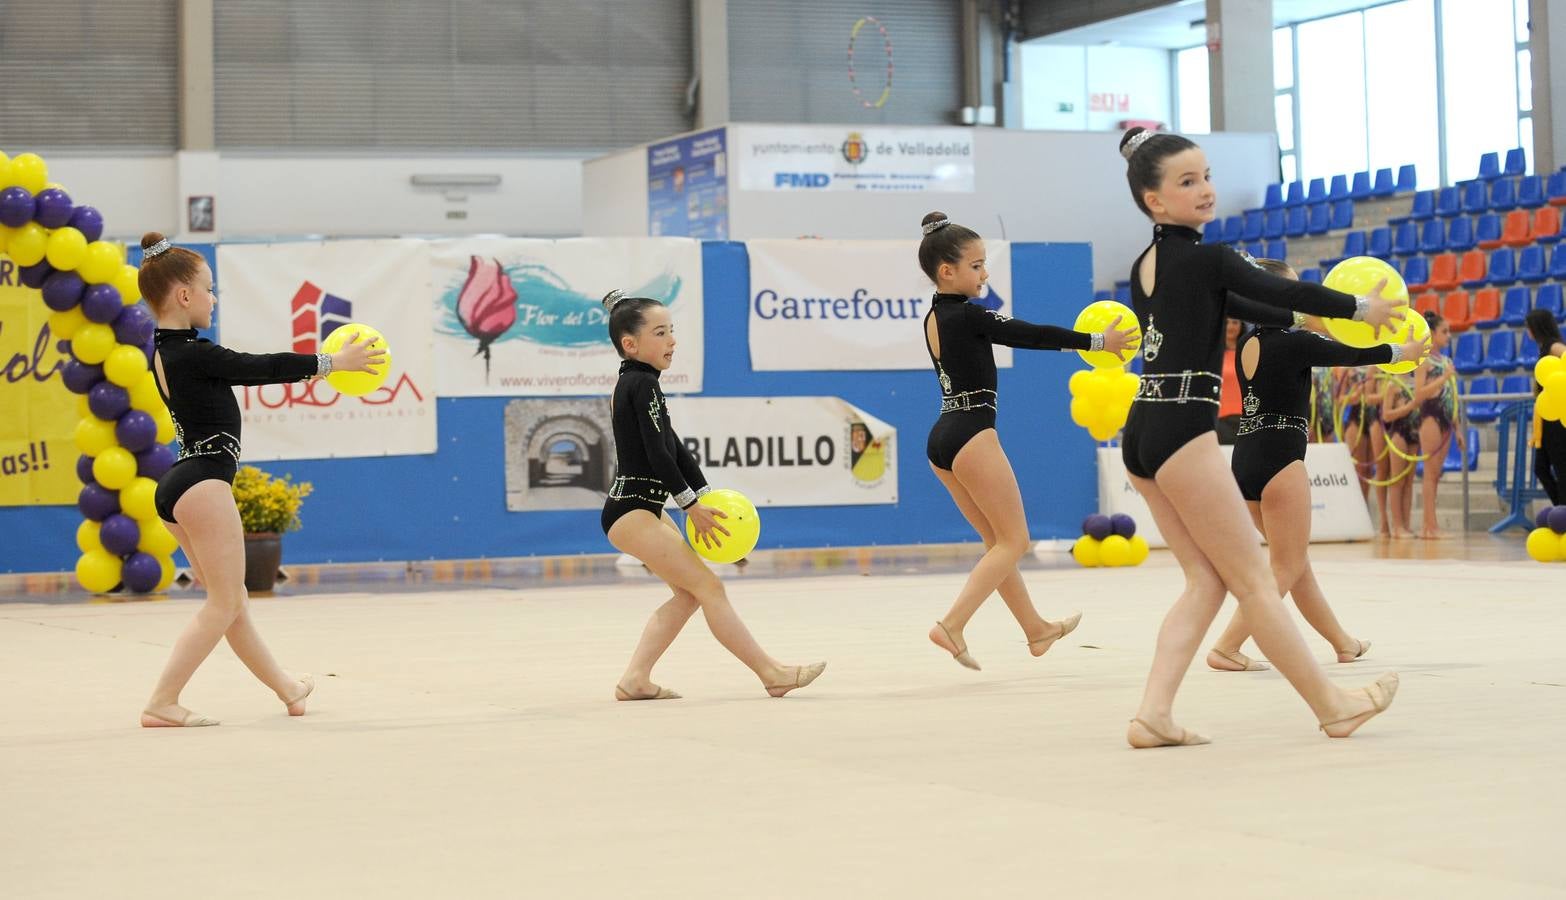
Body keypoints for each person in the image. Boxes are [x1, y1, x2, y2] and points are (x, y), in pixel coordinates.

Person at [1114, 127, 1402, 748]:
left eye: (1207, 175)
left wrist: (1305, 315)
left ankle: (1154, 715)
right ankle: (1332, 705)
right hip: (1183, 427)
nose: (1206, 190)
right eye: (1187, 182)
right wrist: (1357, 309)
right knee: (1251, 578)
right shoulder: (1209, 258)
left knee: (1205, 581)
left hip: (1141, 427)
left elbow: (1264, 306)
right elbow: (1283, 290)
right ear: (1153, 200)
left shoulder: (1147, 265)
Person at [138, 232, 385, 727]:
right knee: (225, 602)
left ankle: (288, 689)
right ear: (184, 296)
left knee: (232, 603)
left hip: (180, 483)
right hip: (203, 481)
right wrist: (333, 363)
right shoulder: (194, 354)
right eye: (209, 289)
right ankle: (162, 701)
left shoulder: (164, 352)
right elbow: (261, 367)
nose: (213, 298)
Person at [918, 212, 1136, 670]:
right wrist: (1097, 341)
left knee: (997, 541)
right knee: (1014, 541)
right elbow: (1030, 334)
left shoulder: (935, 317)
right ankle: (952, 625)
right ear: (947, 271)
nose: (985, 273)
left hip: (944, 434)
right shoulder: (968, 316)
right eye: (976, 266)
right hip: (972, 433)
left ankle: (1036, 630)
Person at [598, 290, 825, 700]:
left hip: (638, 508)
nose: (672, 341)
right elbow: (658, 454)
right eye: (660, 333)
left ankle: (635, 679)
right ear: (630, 344)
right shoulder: (641, 384)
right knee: (709, 589)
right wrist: (691, 506)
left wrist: (706, 500)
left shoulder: (638, 382)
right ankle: (771, 673)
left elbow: (675, 448)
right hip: (632, 511)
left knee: (689, 594)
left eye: (672, 331)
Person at [1205, 259, 1426, 673]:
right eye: (1292, 292)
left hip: (1246, 457)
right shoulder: (1295, 343)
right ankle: (1227, 645)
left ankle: (1342, 643)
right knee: (1287, 565)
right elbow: (1353, 353)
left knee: (1295, 565)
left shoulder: (1249, 344)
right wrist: (1403, 351)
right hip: (1280, 456)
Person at [1412, 312, 1460, 539]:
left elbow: (1453, 396)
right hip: (1430, 415)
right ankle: (1428, 526)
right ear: (1431, 334)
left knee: (1437, 474)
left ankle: (1432, 525)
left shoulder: (1446, 361)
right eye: (1444, 331)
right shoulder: (1424, 361)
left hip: (1446, 416)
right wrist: (1443, 378)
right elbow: (1419, 394)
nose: (1448, 336)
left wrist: (1458, 428)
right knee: (1430, 474)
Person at [1525, 309, 1566, 505]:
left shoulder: (1554, 346)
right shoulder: (1544, 348)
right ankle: (1561, 508)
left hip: (1557, 418)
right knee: (1540, 468)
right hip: (1545, 417)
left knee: (1562, 468)